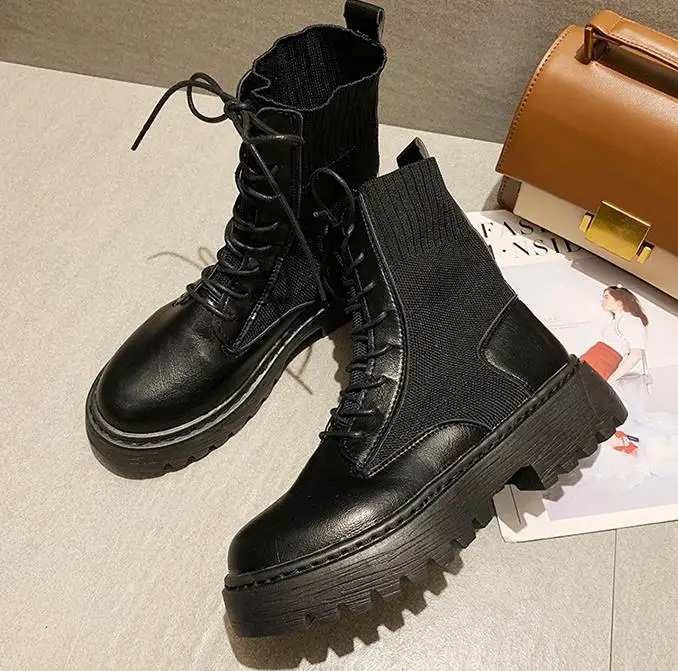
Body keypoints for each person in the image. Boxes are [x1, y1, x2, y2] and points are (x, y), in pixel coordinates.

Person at [581, 285, 650, 452]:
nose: (602, 300)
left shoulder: (632, 321)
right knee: (582, 401)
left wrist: (612, 377)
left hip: (602, 361)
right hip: (594, 359)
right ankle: (615, 440)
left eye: (606, 297)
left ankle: (617, 441)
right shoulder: (618, 320)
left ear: (619, 301)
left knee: (584, 402)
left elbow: (636, 354)